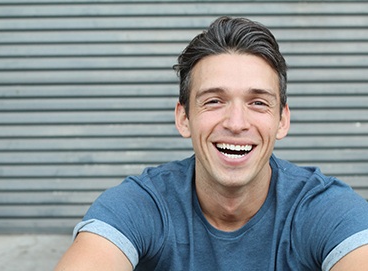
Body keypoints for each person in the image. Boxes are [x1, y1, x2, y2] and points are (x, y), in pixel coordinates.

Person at [55, 16, 368, 270]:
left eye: (258, 103)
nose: (236, 123)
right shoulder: (142, 204)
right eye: (214, 101)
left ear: (282, 120)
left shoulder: (324, 208)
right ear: (184, 118)